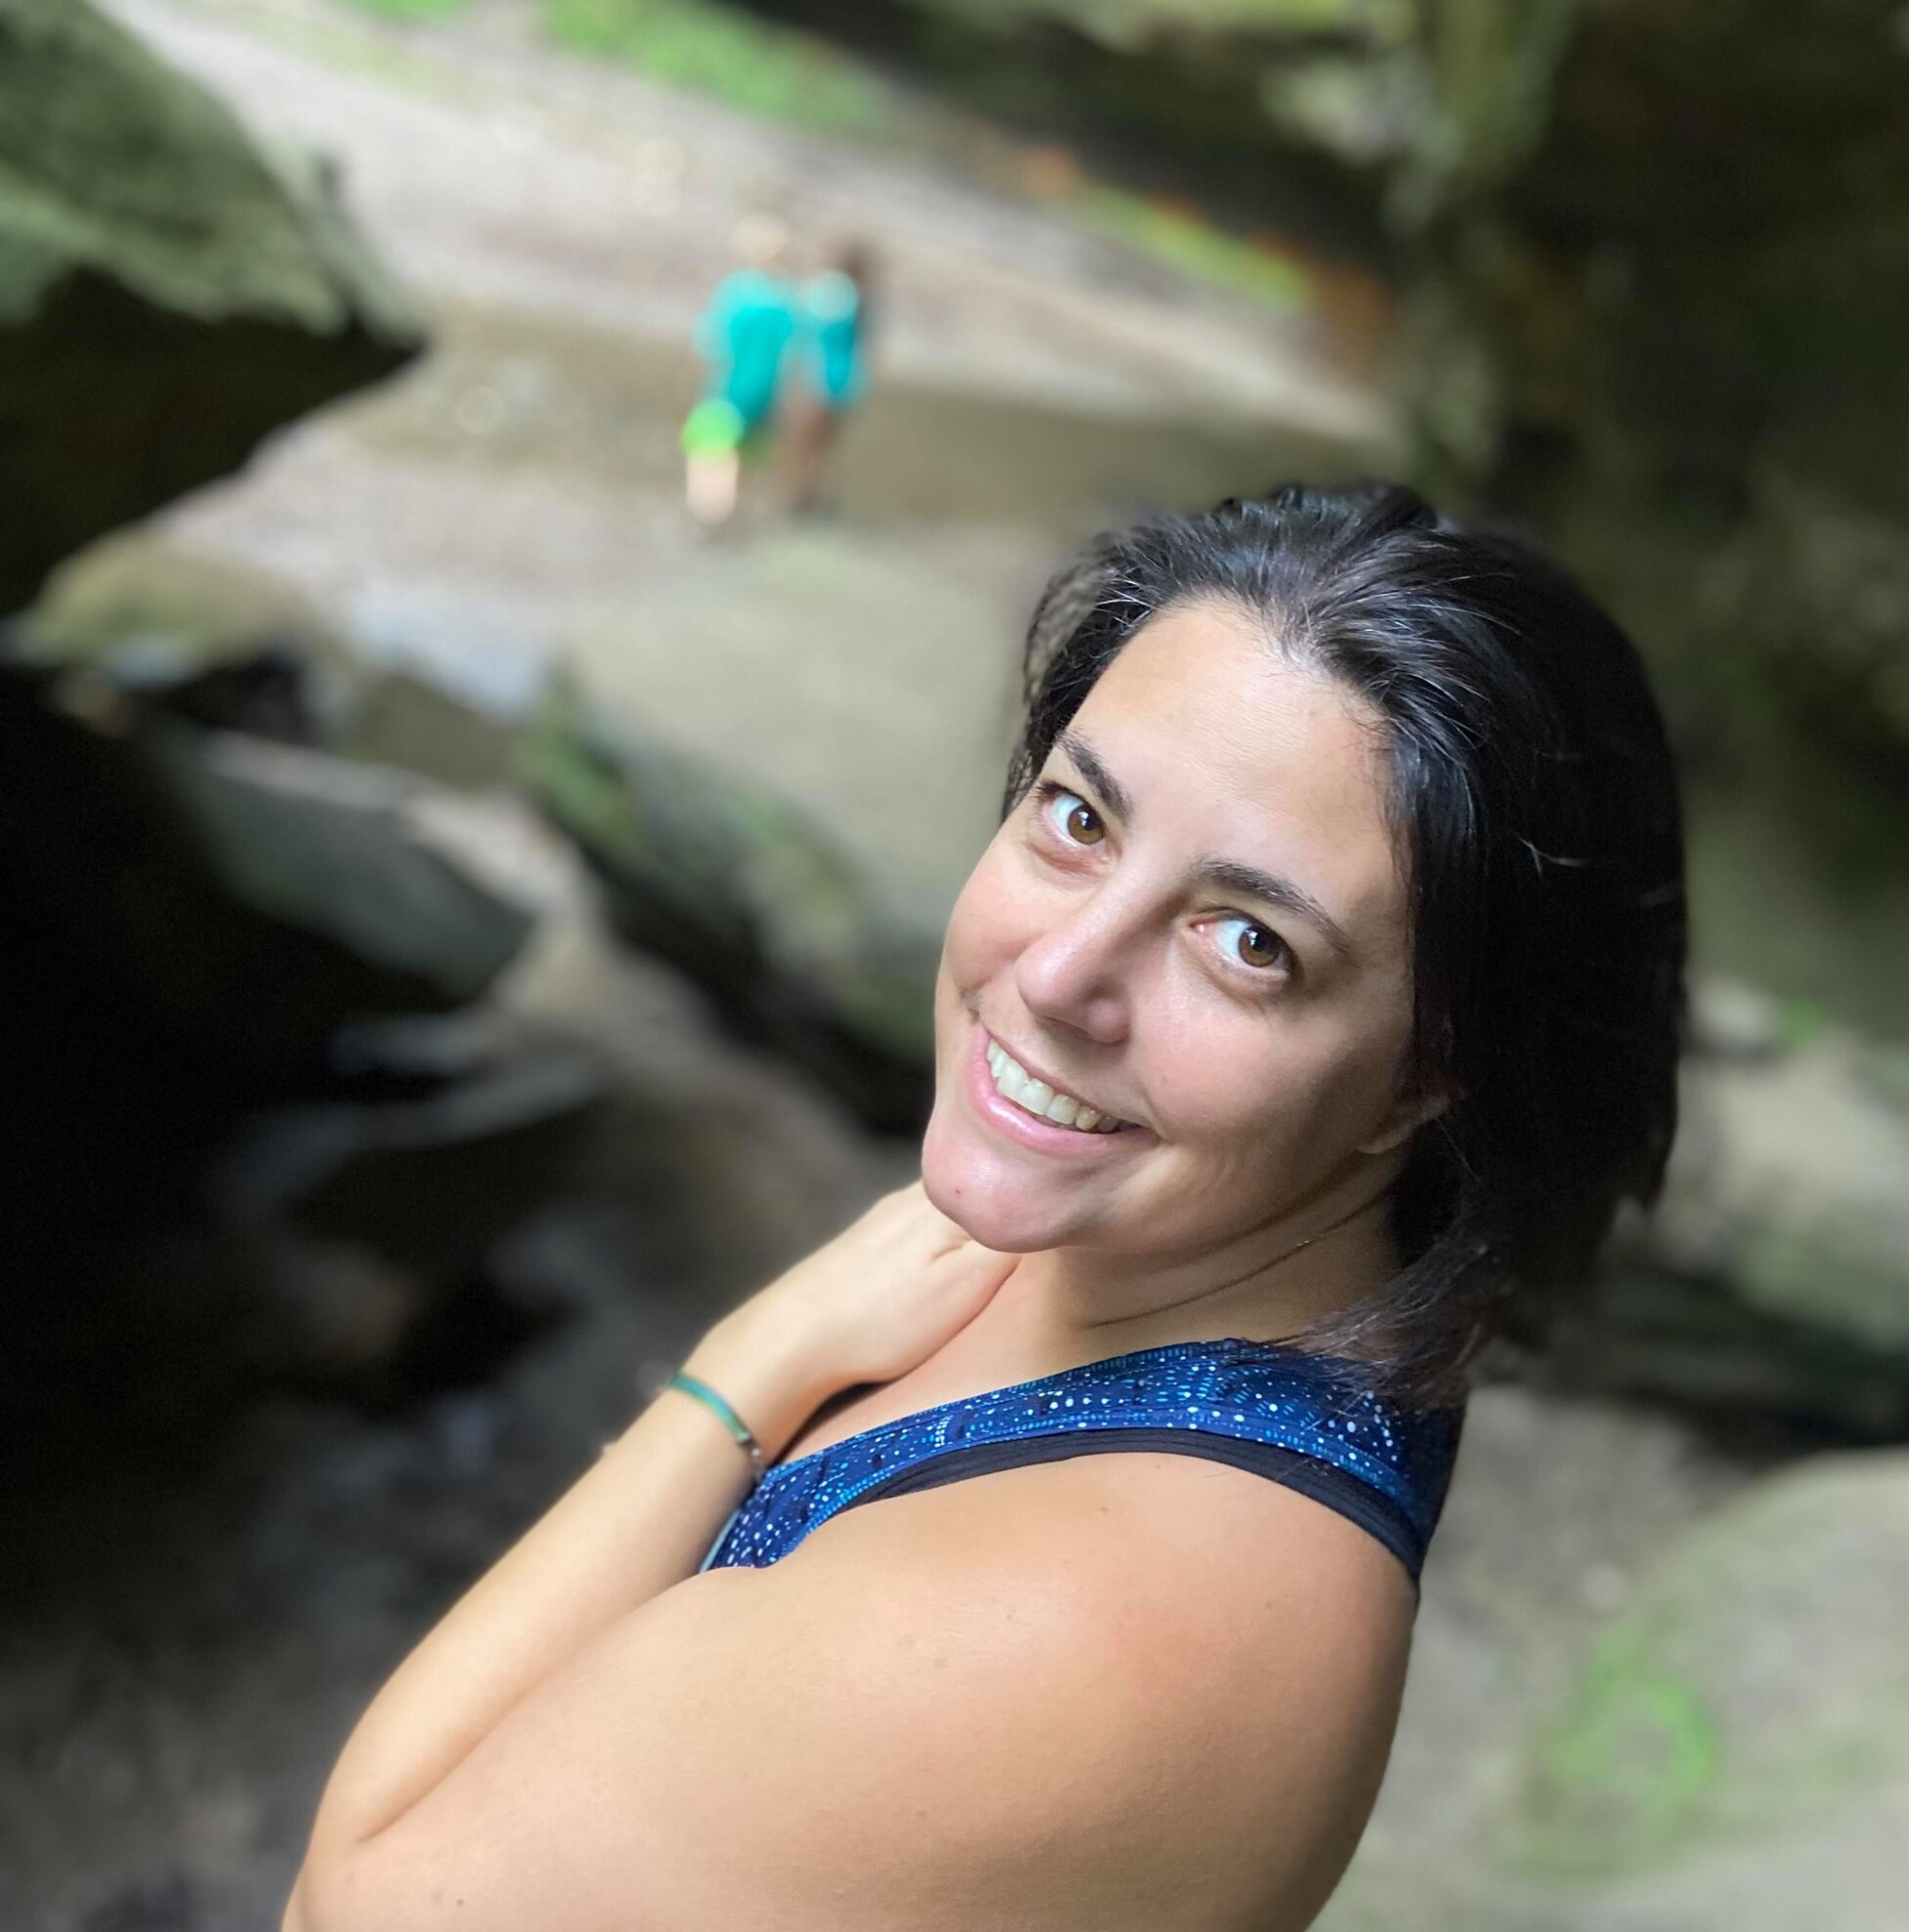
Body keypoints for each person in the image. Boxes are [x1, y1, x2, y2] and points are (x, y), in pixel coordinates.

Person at [283, 482, 1685, 1930]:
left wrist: (739, 1374)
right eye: (1078, 817)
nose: (1060, 973)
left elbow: (354, 1905)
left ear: (1421, 1080)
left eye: (1247, 941)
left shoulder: (1066, 1629)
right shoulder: (1215, 1255)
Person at [681, 216, 799, 526]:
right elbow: (794, 353)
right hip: (766, 394)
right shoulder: (786, 299)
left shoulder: (738, 291)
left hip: (729, 389)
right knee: (747, 457)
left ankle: (710, 516)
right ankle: (740, 514)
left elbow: (713, 342)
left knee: (710, 454)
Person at [781, 240, 877, 515]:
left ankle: (799, 498)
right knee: (824, 447)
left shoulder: (830, 291)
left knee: (803, 445)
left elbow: (808, 335)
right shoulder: (861, 298)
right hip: (844, 383)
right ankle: (814, 497)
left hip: (818, 382)